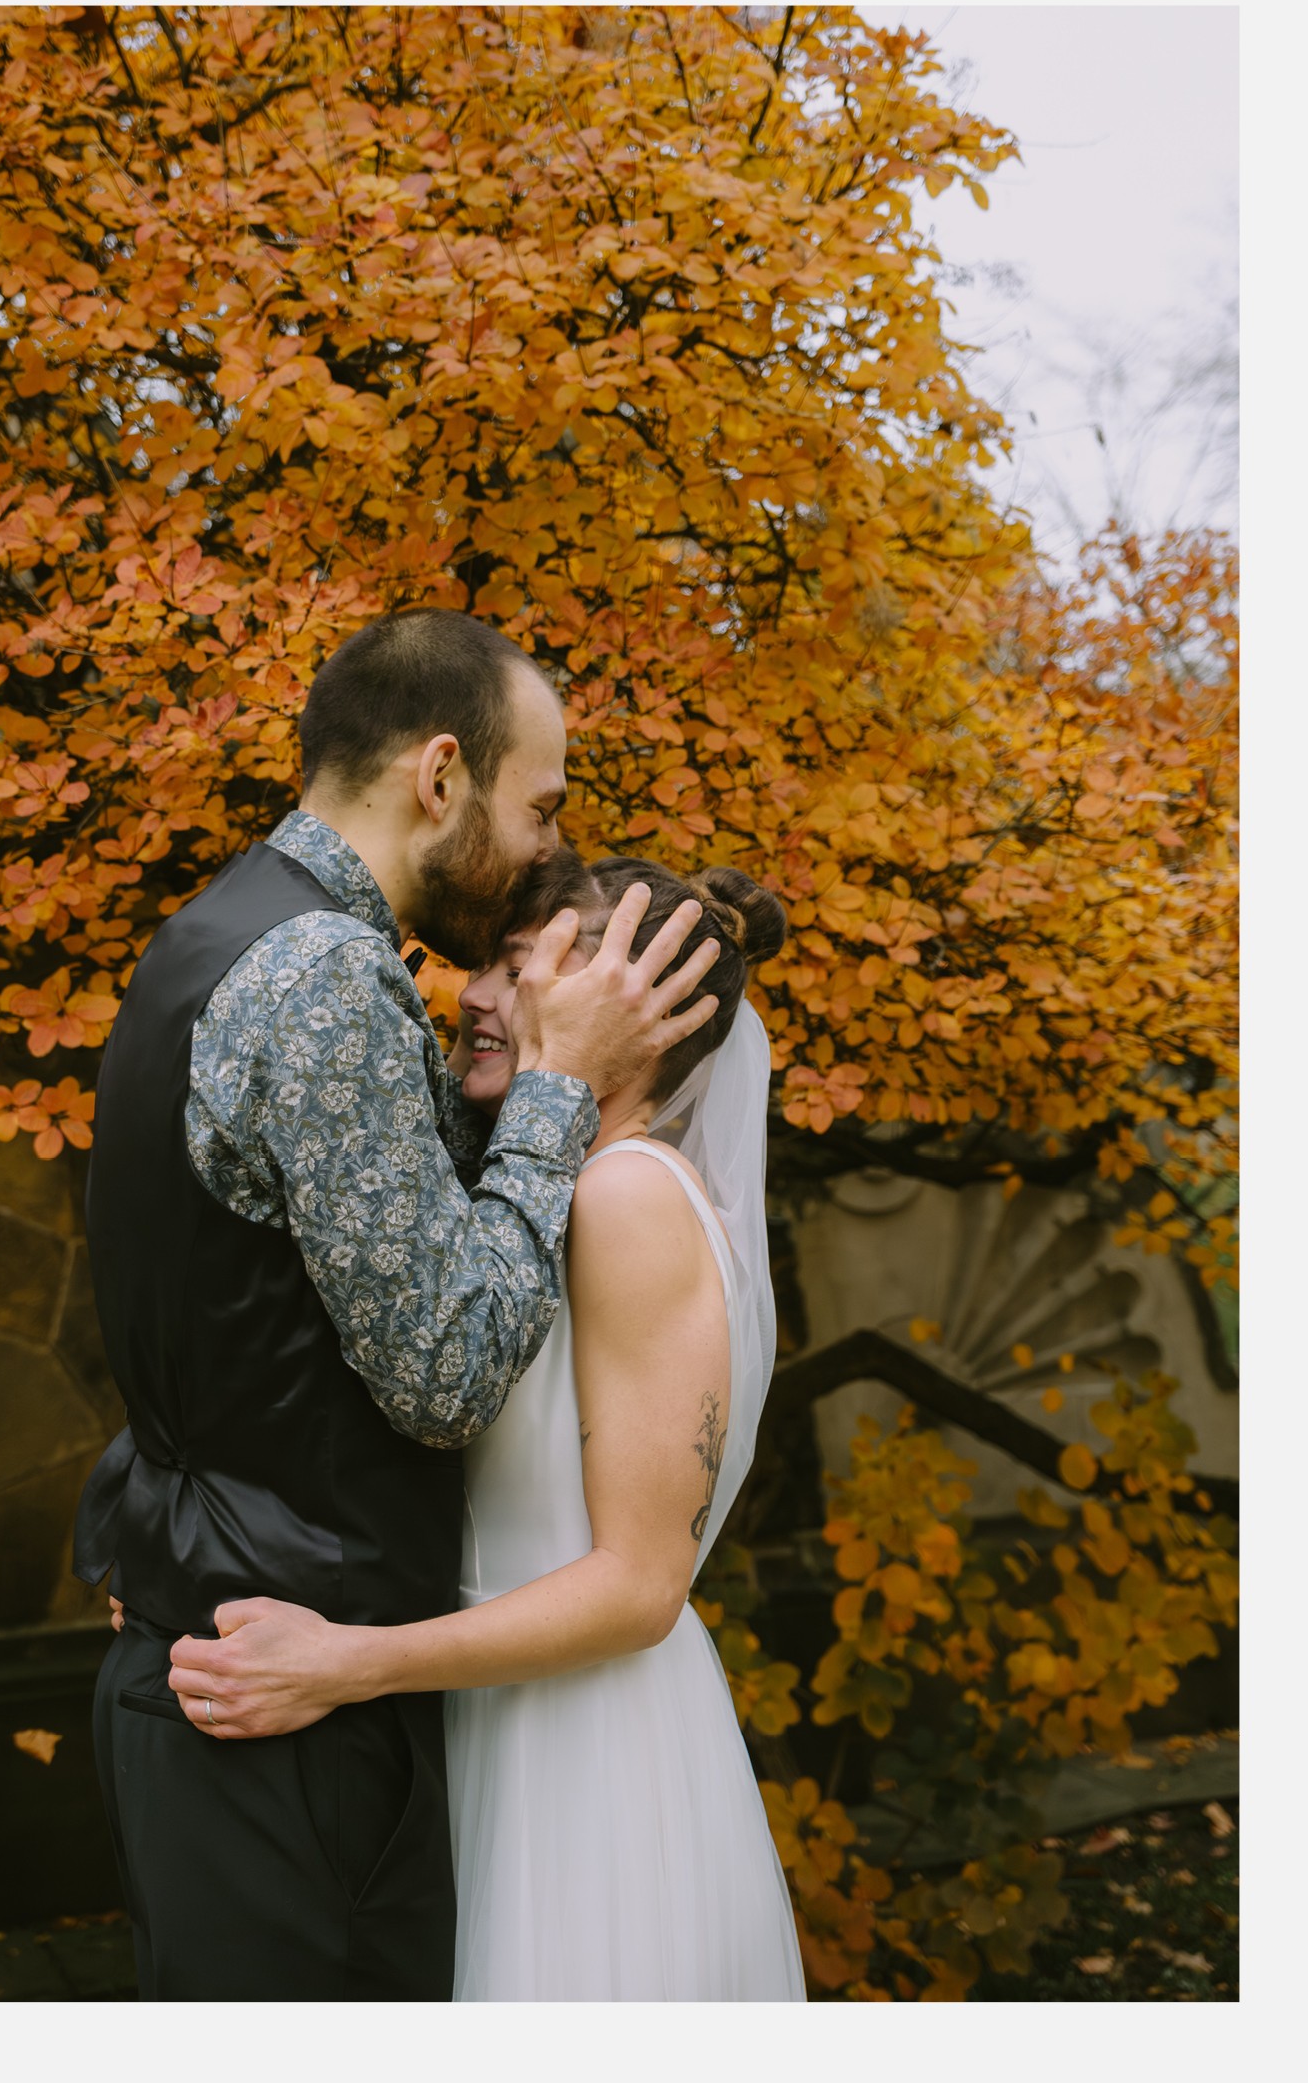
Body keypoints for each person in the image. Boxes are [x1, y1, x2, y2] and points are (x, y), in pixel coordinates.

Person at [73, 610, 721, 2002]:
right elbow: (441, 1367)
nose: (550, 844)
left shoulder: (219, 931)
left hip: (242, 1652)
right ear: (441, 775)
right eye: (539, 803)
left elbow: (229, 1307)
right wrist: (556, 1088)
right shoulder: (326, 975)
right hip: (281, 1697)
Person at [165, 850, 808, 2000]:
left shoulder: (627, 1198)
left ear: (634, 1011)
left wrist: (347, 1665)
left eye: (523, 972)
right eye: (490, 966)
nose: (475, 995)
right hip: (487, 1723)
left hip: (586, 1761)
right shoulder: (537, 1188)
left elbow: (638, 1585)